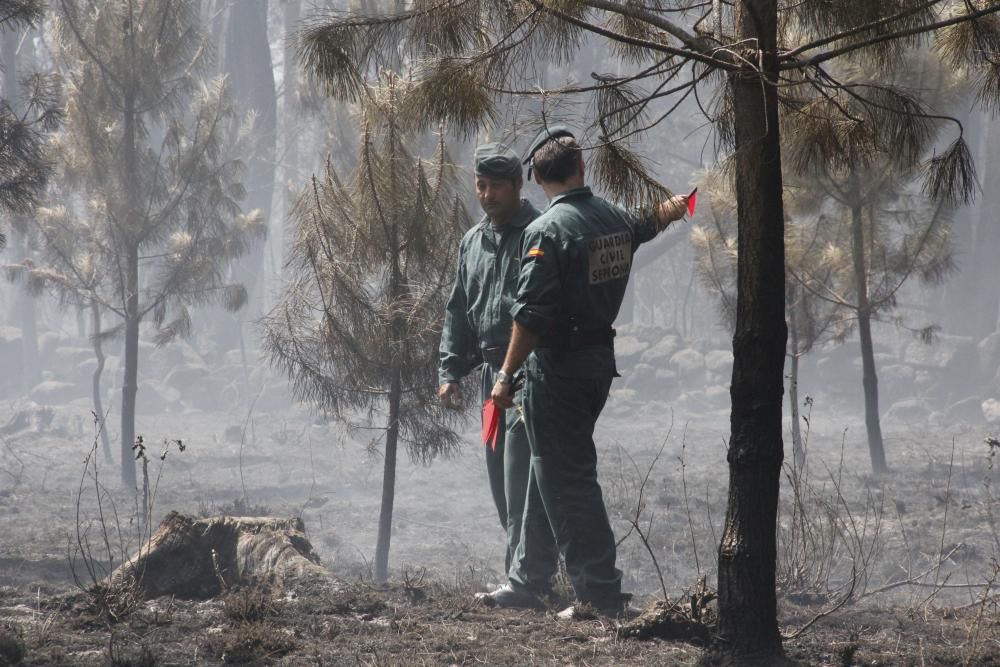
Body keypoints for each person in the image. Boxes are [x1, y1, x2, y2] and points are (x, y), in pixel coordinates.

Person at [486, 126, 689, 618]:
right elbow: (643, 225)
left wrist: (505, 376)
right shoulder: (612, 217)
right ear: (583, 169)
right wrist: (676, 206)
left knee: (568, 478)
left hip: (558, 369)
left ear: (535, 178)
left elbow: (530, 315)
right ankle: (527, 579)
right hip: (596, 362)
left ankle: (598, 591)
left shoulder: (546, 232)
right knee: (544, 469)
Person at [439, 142, 559, 602]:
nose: (487, 195)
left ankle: (526, 583)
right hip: (495, 381)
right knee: (501, 486)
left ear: (518, 185)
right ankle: (525, 575)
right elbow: (457, 310)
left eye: (496, 187)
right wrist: (450, 370)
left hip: (532, 375)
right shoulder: (473, 241)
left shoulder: (538, 233)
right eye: (480, 185)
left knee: (522, 483)